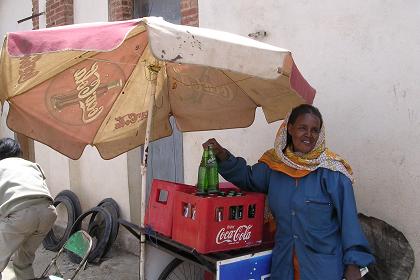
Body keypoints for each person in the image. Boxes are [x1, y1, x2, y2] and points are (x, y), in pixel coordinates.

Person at [203, 104, 374, 280]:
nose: (309, 135)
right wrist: (222, 155)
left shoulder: (333, 173)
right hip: (284, 266)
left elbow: (349, 222)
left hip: (323, 268)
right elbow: (248, 178)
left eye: (315, 130)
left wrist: (354, 265)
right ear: (289, 128)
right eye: (302, 128)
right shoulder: (274, 166)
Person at [0, 138, 57, 280]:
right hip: (48, 212)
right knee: (23, 261)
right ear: (19, 152)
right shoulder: (32, 165)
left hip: (21, 214)